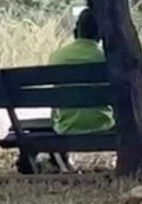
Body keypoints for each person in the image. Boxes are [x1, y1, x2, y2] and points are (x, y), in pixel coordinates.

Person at [33, 7, 114, 173]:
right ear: (100, 34)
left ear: (76, 31)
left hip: (66, 126)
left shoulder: (57, 56)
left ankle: (58, 160)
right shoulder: (106, 58)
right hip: (103, 124)